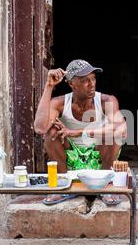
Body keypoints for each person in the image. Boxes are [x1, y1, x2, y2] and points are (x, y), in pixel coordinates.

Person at [34, 60, 127, 205]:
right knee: (51, 132)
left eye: (93, 78)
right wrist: (49, 86)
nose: (92, 84)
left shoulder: (106, 100)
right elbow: (40, 128)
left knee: (112, 134)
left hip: (100, 158)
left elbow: (121, 130)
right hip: (69, 160)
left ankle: (107, 185)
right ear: (72, 84)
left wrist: (76, 132)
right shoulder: (59, 102)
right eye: (85, 81)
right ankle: (63, 185)